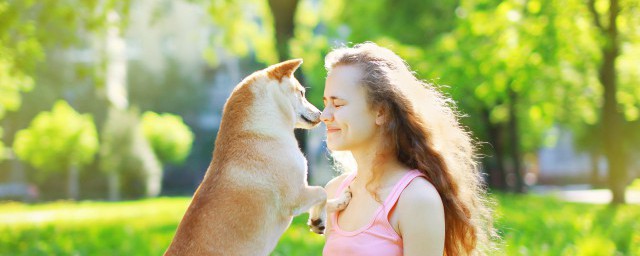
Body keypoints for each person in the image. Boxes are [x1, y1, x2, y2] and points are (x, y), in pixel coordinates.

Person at [320, 42, 495, 256]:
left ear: (381, 112)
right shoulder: (334, 192)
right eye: (325, 102)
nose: (324, 115)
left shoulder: (416, 199)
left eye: (337, 104)